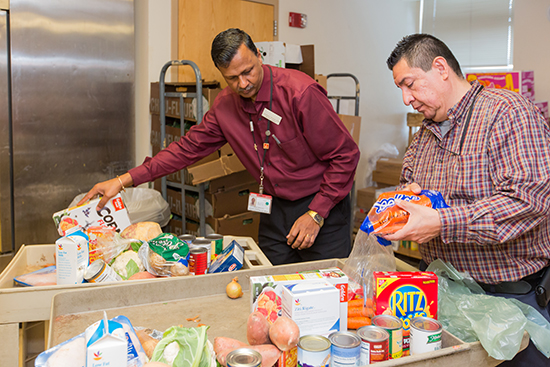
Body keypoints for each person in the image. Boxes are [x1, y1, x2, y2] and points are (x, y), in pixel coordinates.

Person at [78, 28, 360, 265]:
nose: (244, 83)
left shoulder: (299, 93)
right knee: (270, 293)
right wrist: (123, 179)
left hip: (322, 205)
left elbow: (346, 156)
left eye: (248, 71)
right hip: (274, 210)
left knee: (325, 291)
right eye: (232, 78)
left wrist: (316, 214)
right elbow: (184, 150)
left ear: (259, 56)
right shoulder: (225, 106)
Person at [385, 33, 550, 365]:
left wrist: (441, 221)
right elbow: (411, 189)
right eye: (401, 89)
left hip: (512, 298)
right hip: (446, 293)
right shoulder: (424, 135)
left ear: (441, 68)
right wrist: (403, 207)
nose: (406, 99)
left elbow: (530, 201)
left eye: (410, 84)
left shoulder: (508, 113)